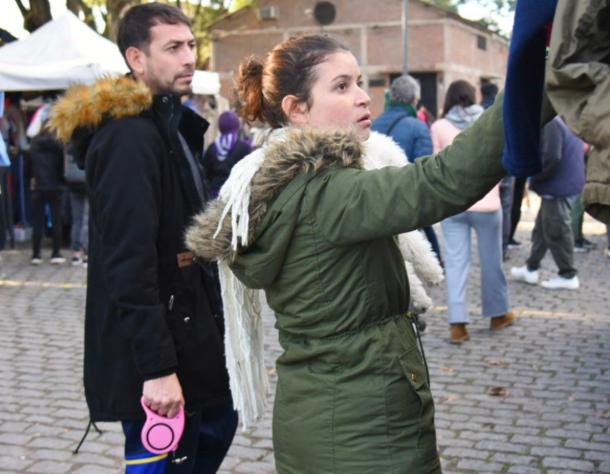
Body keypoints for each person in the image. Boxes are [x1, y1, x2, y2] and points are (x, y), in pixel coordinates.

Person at [185, 34, 510, 474]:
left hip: (323, 418)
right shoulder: (329, 192)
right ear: (297, 109)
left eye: (360, 82)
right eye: (341, 86)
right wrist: (530, 82)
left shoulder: (287, 185)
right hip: (364, 432)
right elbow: (442, 181)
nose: (363, 98)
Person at [48, 3, 236, 474]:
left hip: (191, 334)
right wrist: (156, 369)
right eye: (173, 48)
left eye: (191, 45)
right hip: (162, 351)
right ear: (137, 58)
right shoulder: (128, 138)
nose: (189, 57)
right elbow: (126, 262)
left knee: (217, 427)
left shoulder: (168, 126)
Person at [432, 81, 515, 343]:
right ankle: (497, 315)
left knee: (456, 263)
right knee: (492, 262)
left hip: (453, 204)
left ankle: (458, 324)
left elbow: (436, 166)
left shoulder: (439, 126)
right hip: (487, 202)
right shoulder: (488, 121)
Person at [372, 76, 443, 266]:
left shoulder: (373, 124)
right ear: (414, 100)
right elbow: (423, 170)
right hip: (406, 199)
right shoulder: (418, 127)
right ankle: (434, 263)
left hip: (377, 197)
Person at [511, 116, 586, 290]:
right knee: (543, 229)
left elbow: (552, 156)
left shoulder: (552, 122)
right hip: (564, 182)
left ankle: (568, 274)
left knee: (557, 229)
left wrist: (536, 176)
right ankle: (531, 267)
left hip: (558, 185)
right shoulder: (562, 119)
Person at [482, 82, 516, 258]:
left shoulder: (478, 112)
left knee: (486, 206)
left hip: (486, 166)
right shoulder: (507, 108)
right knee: (505, 208)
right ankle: (502, 248)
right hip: (507, 166)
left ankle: (486, 247)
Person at [26, 131, 66, 265]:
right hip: (55, 187)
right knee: (56, 221)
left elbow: (27, 170)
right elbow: (62, 169)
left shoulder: (34, 148)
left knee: (38, 221)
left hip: (38, 186)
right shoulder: (58, 147)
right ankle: (56, 252)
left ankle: (36, 253)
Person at [202, 110, 251, 197]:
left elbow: (205, 175)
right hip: (236, 195)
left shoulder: (212, 148)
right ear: (237, 126)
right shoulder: (244, 148)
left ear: (220, 127)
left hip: (214, 195)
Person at [63, 150, 89, 267]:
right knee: (87, 219)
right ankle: (87, 255)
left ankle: (76, 253)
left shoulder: (69, 141)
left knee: (77, 219)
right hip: (86, 180)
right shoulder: (89, 138)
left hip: (73, 182)